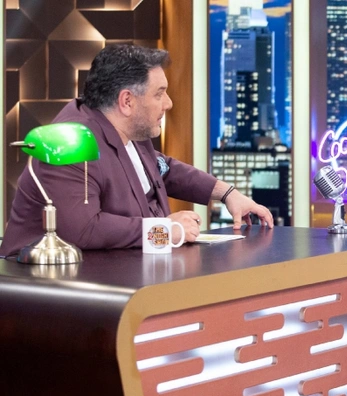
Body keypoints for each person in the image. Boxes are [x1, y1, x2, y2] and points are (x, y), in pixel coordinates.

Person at [0, 44, 273, 257]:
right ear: (127, 101)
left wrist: (227, 193)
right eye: (159, 93)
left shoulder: (130, 131)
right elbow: (83, 230)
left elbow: (164, 169)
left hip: (122, 276)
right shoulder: (69, 141)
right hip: (45, 291)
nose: (168, 103)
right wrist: (166, 230)